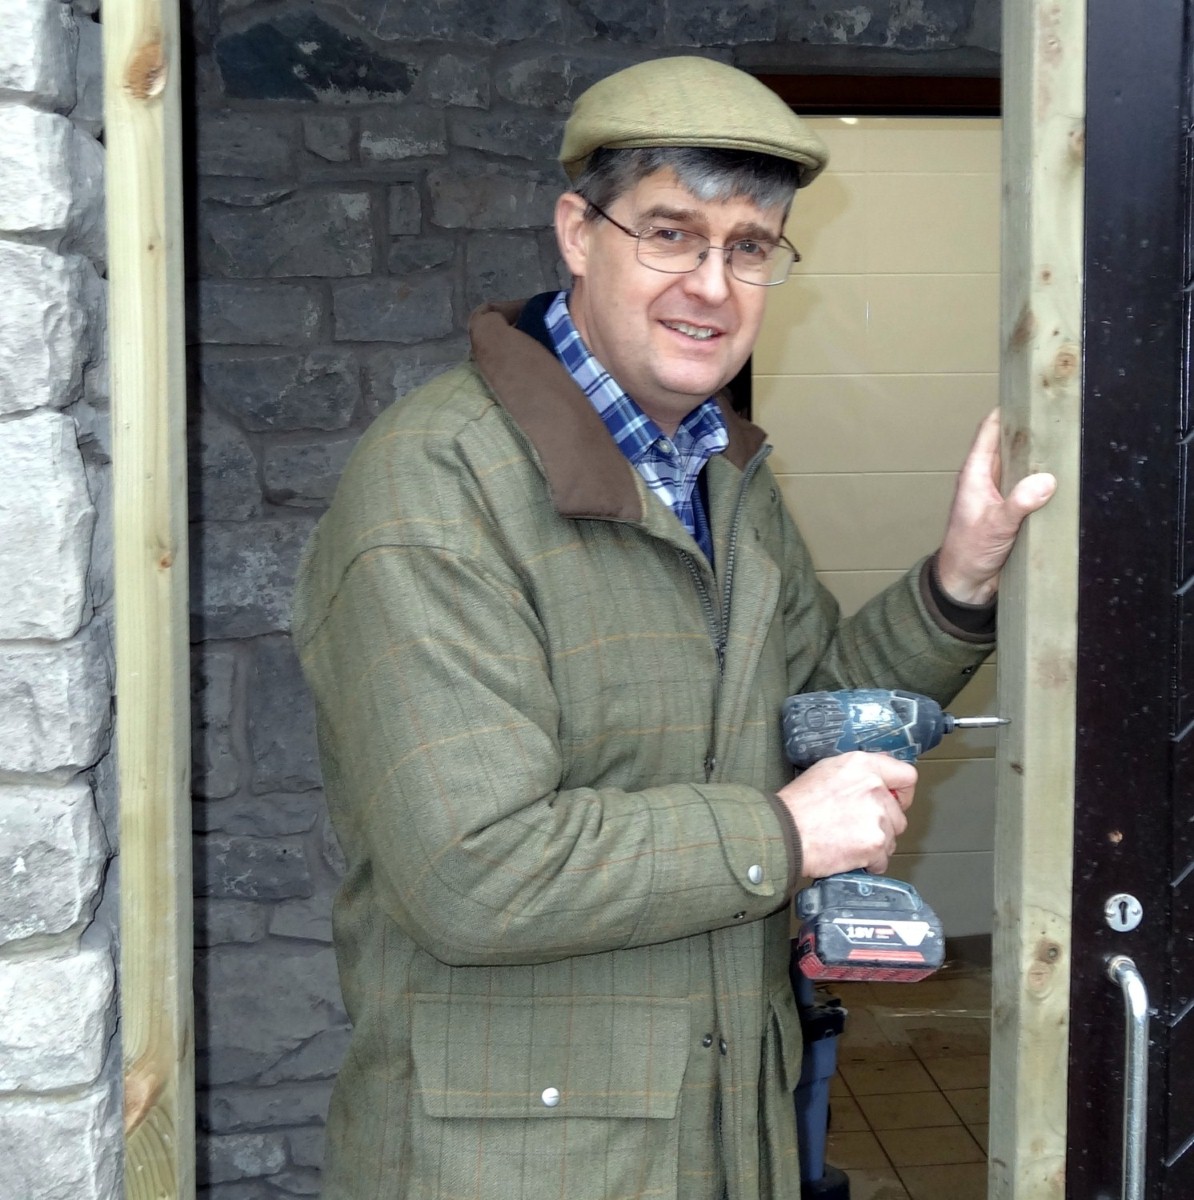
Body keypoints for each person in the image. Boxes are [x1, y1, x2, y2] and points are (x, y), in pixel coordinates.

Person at [292, 56, 1055, 1200]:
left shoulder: (715, 472)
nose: (711, 284)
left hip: (719, 1130)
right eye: (669, 233)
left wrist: (962, 574)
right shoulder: (435, 487)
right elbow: (472, 870)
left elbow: (811, 711)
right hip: (515, 1165)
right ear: (576, 232)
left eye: (750, 247)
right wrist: (782, 839)